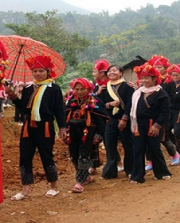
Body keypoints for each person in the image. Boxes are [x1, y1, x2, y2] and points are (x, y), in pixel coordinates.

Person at [6, 55, 66, 200]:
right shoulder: (28, 88)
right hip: (28, 127)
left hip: (45, 126)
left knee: (46, 156)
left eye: (41, 71)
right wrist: (13, 96)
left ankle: (54, 186)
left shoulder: (54, 89)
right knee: (25, 156)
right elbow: (24, 109)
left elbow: (59, 109)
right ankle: (25, 189)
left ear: (47, 72)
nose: (38, 74)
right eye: (35, 71)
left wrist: (62, 128)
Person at [64, 78, 108, 193]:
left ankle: (79, 182)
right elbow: (64, 116)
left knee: (83, 156)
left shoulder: (95, 101)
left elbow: (101, 119)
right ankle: (86, 176)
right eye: (76, 89)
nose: (79, 92)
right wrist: (64, 131)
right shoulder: (71, 101)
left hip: (88, 132)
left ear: (88, 89)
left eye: (82, 89)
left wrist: (99, 134)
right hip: (72, 132)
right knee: (73, 155)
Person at [130, 64, 172, 184]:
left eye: (147, 78)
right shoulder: (138, 93)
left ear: (154, 79)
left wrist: (157, 125)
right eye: (142, 78)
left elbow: (165, 111)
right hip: (138, 124)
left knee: (154, 148)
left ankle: (162, 173)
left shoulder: (161, 93)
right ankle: (137, 176)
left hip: (153, 124)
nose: (144, 81)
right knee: (138, 149)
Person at [144, 55, 179, 169]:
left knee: (163, 138)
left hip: (161, 113)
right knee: (147, 140)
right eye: (155, 67)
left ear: (165, 68)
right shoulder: (148, 82)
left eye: (159, 67)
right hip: (147, 115)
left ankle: (174, 153)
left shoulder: (169, 82)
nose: (157, 69)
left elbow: (171, 99)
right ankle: (150, 161)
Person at [100, 65, 134, 179]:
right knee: (110, 145)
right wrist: (109, 104)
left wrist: (125, 118)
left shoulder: (127, 87)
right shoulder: (104, 88)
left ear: (121, 73)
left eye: (114, 70)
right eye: (109, 71)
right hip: (110, 120)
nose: (111, 72)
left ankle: (130, 169)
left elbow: (130, 104)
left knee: (127, 145)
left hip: (124, 119)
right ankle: (111, 171)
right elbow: (99, 104)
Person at [90, 59, 109, 175]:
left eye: (94, 71)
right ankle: (94, 165)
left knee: (108, 141)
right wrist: (96, 93)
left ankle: (117, 162)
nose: (93, 74)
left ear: (101, 73)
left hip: (107, 117)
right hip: (95, 117)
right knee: (94, 140)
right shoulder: (94, 86)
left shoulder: (109, 85)